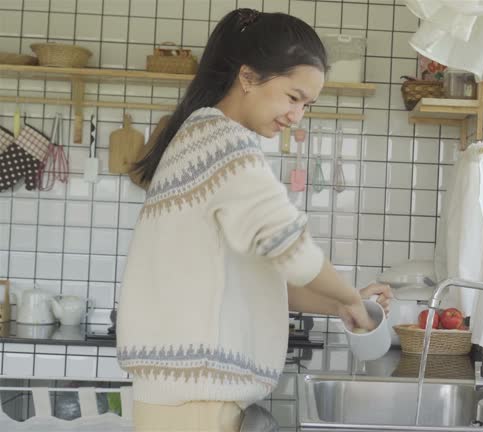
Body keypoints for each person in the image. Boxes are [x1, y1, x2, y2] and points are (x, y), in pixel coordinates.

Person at [116, 9, 393, 431]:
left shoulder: (205, 135)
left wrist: (343, 303)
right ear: (248, 77)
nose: (297, 115)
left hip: (192, 401)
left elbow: (266, 277)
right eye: (293, 96)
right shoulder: (222, 143)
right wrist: (351, 300)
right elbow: (291, 247)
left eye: (307, 104)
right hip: (194, 406)